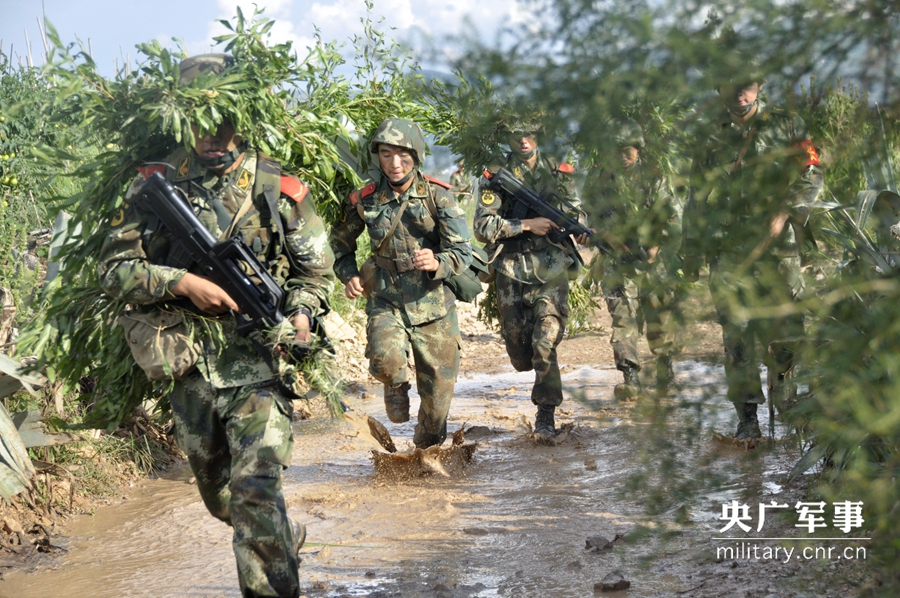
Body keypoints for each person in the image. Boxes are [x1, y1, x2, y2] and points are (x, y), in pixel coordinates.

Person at [99, 53, 337, 598]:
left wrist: (300, 313)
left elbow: (315, 272)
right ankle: (280, 534)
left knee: (254, 488)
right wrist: (181, 283)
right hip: (189, 364)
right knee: (223, 499)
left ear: (242, 118)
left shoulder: (279, 189)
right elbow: (113, 270)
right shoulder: (153, 185)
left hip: (258, 364)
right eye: (199, 124)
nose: (211, 137)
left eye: (223, 122)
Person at [680, 58, 824, 442]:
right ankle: (748, 420)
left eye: (747, 85)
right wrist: (690, 251)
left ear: (760, 85)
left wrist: (786, 211)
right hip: (729, 251)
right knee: (738, 336)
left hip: (780, 249)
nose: (741, 93)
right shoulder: (710, 136)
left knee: (787, 334)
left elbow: (812, 172)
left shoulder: (787, 125)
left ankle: (791, 409)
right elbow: (695, 198)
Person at [330, 118, 473, 449]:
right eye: (386, 154)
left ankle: (425, 453)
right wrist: (349, 275)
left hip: (433, 303)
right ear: (377, 156)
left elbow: (462, 251)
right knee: (385, 359)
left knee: (437, 404)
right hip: (386, 298)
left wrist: (439, 261)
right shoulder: (363, 200)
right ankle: (394, 384)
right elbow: (340, 245)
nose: (394, 164)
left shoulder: (439, 197)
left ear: (417, 155)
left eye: (403, 155)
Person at [473, 117, 588, 440]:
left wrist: (577, 229)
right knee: (521, 356)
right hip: (510, 270)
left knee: (544, 342)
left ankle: (545, 415)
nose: (524, 140)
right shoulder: (495, 176)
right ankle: (538, 388)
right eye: (516, 134)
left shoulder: (559, 170)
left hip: (551, 268)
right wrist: (525, 225)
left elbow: (576, 212)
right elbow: (482, 228)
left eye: (530, 133)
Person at [583, 118, 680, 397]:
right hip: (616, 258)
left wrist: (655, 248)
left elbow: (673, 216)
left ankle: (666, 371)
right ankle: (631, 378)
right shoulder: (599, 176)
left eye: (629, 151)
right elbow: (589, 211)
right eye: (617, 151)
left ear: (639, 149)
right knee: (623, 318)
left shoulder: (655, 176)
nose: (623, 158)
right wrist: (604, 235)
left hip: (654, 259)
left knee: (660, 315)